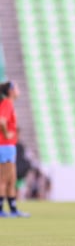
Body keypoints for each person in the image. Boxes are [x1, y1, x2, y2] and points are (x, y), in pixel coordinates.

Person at [0, 81, 29, 217]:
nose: (18, 89)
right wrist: (7, 134)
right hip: (5, 145)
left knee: (12, 180)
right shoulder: (7, 103)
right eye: (16, 87)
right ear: (11, 91)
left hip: (9, 146)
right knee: (4, 180)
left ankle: (13, 209)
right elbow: (1, 121)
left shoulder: (9, 104)